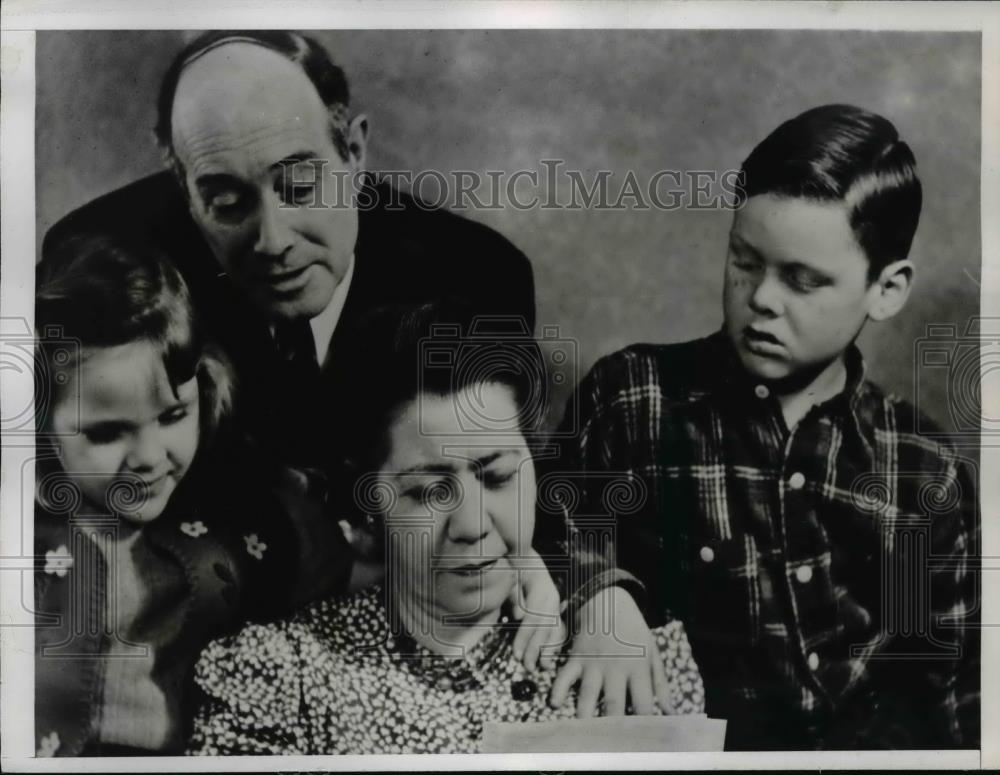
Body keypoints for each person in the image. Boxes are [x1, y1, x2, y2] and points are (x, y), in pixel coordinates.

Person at [554, 105, 979, 749]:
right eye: (745, 261)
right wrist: (599, 592)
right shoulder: (634, 399)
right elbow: (538, 523)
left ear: (886, 290)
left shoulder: (922, 468)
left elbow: (948, 693)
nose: (761, 300)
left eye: (803, 281)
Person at [187, 301, 706, 755]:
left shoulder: (626, 659)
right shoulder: (281, 675)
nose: (471, 526)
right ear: (370, 506)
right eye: (429, 492)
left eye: (497, 477)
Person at [41, 30, 535, 469]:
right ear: (184, 190)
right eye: (227, 203)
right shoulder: (110, 267)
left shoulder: (478, 277)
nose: (272, 242)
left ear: (355, 154)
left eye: (300, 188)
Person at [33, 235, 301, 756]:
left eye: (174, 415)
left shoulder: (240, 515)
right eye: (108, 432)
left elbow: (360, 571)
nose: (150, 457)